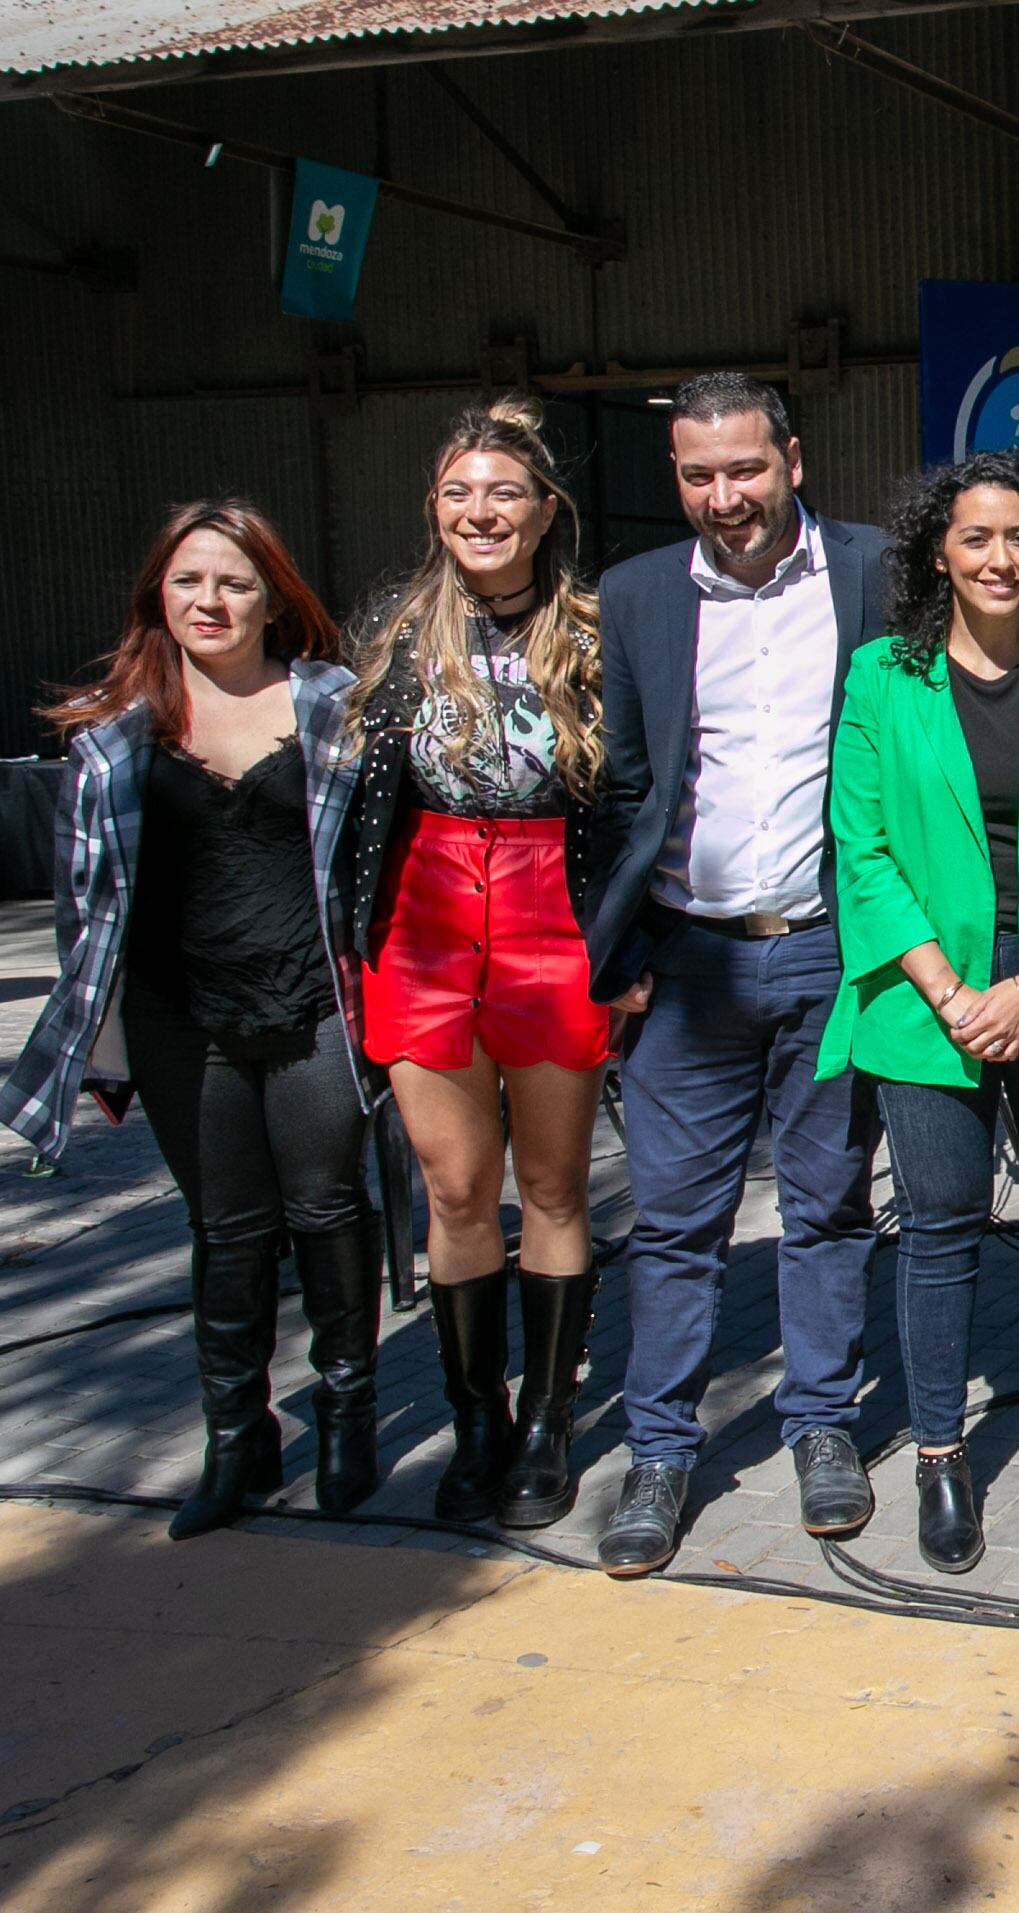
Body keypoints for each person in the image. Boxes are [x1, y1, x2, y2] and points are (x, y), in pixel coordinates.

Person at [1, 501, 382, 1538]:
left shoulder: (336, 708)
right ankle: (236, 1439)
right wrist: (101, 1052)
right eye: (188, 582)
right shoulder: (113, 733)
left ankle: (348, 1416)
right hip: (183, 1018)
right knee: (226, 1229)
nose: (209, 601)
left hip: (313, 1003)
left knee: (329, 1212)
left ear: (273, 596)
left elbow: (373, 867)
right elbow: (87, 908)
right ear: (157, 597)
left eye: (233, 582)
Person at [583, 373, 891, 1576]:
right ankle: (660, 1447)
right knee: (675, 1223)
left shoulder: (869, 571)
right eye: (700, 475)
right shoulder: (639, 594)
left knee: (824, 1206)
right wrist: (622, 951)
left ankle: (822, 1422)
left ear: (793, 461)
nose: (726, 497)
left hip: (828, 946)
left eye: (746, 468)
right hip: (691, 955)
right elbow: (622, 781)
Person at [822, 449, 1019, 1573]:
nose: (999, 557)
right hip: (926, 993)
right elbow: (859, 850)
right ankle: (942, 1455)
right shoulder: (879, 678)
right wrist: (955, 992)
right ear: (937, 552)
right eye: (975, 538)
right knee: (939, 1226)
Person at [343, 397, 609, 1530]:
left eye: (504, 492)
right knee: (456, 1188)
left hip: (554, 908)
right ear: (434, 509)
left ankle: (549, 1422)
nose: (480, 511)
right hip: (428, 913)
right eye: (458, 492)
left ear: (546, 510)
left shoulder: (598, 632)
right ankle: (477, 1417)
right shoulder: (400, 633)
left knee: (549, 1185)